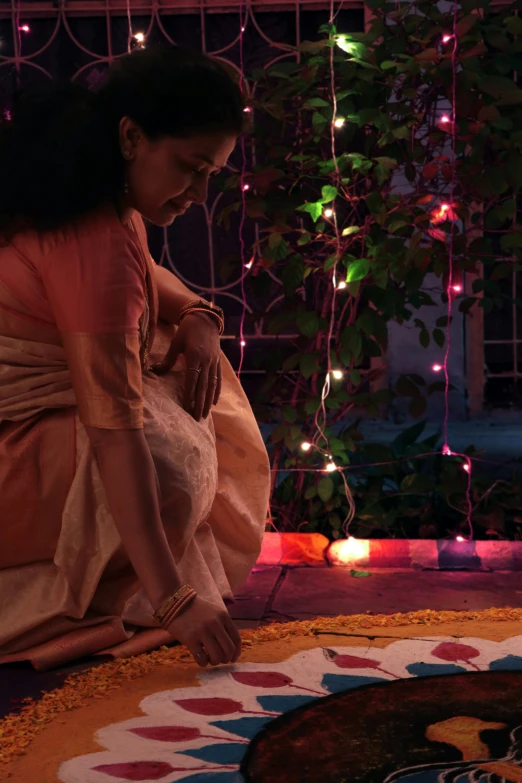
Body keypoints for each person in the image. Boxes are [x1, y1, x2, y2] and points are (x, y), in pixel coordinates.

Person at [0, 45, 270, 672]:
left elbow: (144, 271)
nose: (201, 194)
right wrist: (175, 600)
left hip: (50, 410)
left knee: (194, 374)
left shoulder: (85, 185)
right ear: (130, 137)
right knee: (164, 466)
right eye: (190, 167)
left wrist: (201, 314)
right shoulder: (91, 238)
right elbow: (115, 433)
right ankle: (113, 591)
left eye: (213, 174)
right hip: (14, 438)